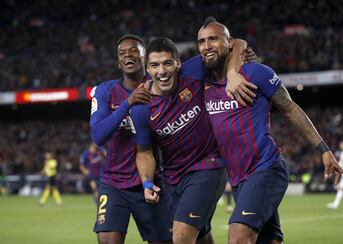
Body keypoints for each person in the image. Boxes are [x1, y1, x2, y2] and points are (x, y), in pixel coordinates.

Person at [197, 17, 343, 244]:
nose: (206, 45)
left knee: (238, 236)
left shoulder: (256, 73)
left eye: (213, 39)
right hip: (238, 178)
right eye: (201, 41)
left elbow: (289, 109)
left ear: (229, 43)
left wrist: (323, 149)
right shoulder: (201, 82)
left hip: (266, 168)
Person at [129, 37, 251, 244]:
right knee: (202, 237)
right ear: (146, 69)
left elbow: (236, 43)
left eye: (167, 63)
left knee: (181, 235)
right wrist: (147, 182)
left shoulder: (193, 71)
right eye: (155, 65)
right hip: (174, 179)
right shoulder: (141, 108)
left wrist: (231, 73)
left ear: (178, 64)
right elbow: (144, 152)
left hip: (209, 166)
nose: (162, 71)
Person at [90, 34, 172, 244]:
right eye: (122, 53)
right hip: (113, 183)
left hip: (152, 181)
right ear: (118, 62)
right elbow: (98, 135)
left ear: (145, 58)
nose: (128, 55)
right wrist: (128, 103)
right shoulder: (104, 91)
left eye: (134, 50)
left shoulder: (160, 86)